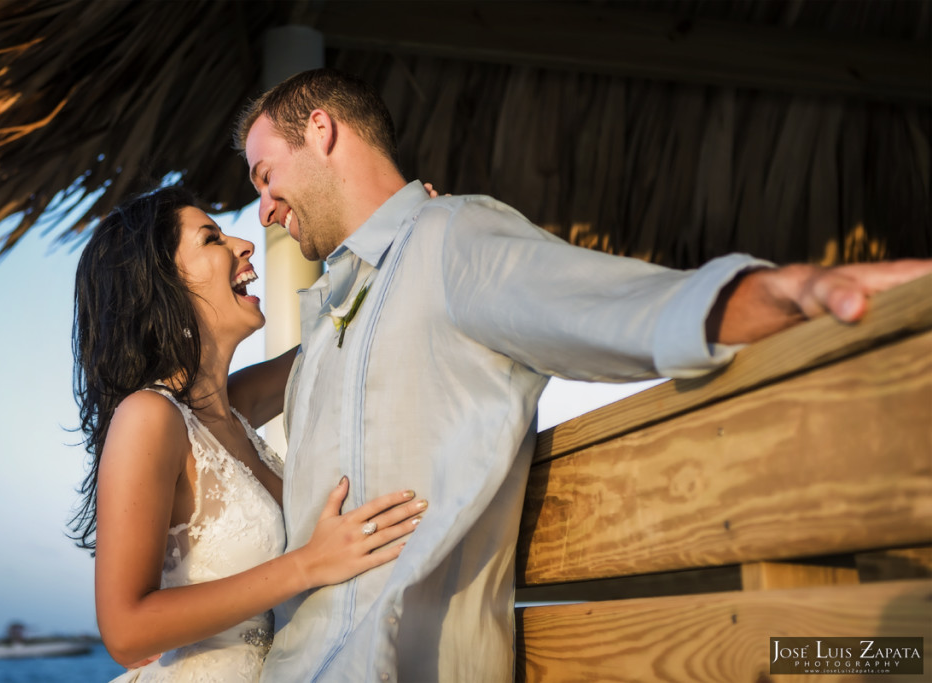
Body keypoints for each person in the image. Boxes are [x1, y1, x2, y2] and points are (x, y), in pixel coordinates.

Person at [233, 68, 932, 683]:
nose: (263, 209)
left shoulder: (450, 239)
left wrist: (781, 292)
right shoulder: (328, 318)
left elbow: (611, 305)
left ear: (321, 129)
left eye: (266, 177)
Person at [69, 185, 428, 682]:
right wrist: (309, 564)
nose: (244, 244)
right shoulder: (148, 417)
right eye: (211, 238)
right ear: (162, 284)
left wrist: (403, 229)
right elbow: (125, 631)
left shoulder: (229, 409)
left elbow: (341, 336)